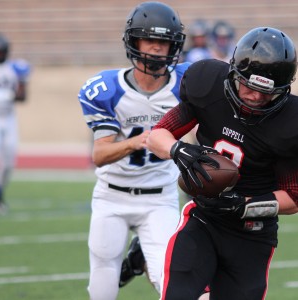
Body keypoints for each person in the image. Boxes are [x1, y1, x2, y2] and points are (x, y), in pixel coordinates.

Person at [147, 26, 298, 300]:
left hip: (252, 234)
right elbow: (157, 135)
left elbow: (294, 198)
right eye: (249, 87)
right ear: (233, 74)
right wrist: (178, 149)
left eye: (268, 93)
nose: (256, 98)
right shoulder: (208, 85)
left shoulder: (290, 124)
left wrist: (245, 206)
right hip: (204, 219)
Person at [77, 2, 189, 299]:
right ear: (133, 41)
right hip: (112, 196)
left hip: (159, 198)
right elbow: (99, 156)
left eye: (163, 41)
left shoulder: (187, 84)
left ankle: (142, 257)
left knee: (169, 281)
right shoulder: (106, 89)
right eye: (148, 39)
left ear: (173, 45)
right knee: (102, 285)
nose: (155, 48)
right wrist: (139, 141)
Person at [0, 33, 31, 215]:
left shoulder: (16, 69)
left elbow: (23, 96)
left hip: (9, 119)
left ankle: (0, 193)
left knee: (9, 161)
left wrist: (8, 95)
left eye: (1, 51)